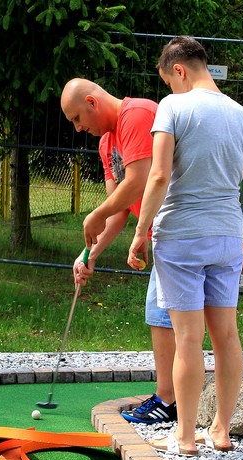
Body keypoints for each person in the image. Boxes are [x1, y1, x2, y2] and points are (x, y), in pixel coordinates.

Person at [127, 36, 243, 455]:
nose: (171, 88)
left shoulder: (173, 107)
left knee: (188, 338)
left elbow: (158, 176)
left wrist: (141, 231)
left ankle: (185, 436)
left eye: (169, 80)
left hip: (181, 236)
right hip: (227, 237)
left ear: (179, 70)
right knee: (227, 336)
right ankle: (221, 430)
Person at [60, 78, 177, 424]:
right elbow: (119, 207)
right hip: (162, 233)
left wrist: (95, 215)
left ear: (92, 102)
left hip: (179, 227)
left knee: (163, 315)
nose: (79, 128)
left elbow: (139, 180)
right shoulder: (107, 143)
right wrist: (89, 255)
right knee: (163, 315)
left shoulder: (136, 114)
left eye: (77, 118)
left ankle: (168, 401)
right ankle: (172, 398)